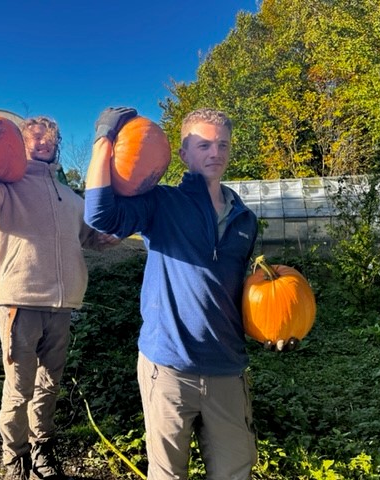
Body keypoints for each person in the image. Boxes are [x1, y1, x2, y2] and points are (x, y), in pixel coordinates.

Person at [84, 107, 259, 479]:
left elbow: (241, 293)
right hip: (168, 368)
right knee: (167, 475)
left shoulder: (245, 218)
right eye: (204, 144)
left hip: (228, 369)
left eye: (223, 144)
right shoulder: (161, 204)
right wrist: (104, 138)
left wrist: (271, 328)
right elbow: (99, 215)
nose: (216, 152)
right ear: (182, 154)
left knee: (234, 472)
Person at [0, 115, 116, 480]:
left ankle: (42, 449)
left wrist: (109, 236)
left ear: (56, 144)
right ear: (21, 144)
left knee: (49, 384)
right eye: (34, 138)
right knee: (19, 386)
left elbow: (90, 237)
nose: (42, 143)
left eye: (48, 138)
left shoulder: (71, 198)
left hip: (62, 305)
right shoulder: (7, 188)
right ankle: (15, 457)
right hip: (19, 302)